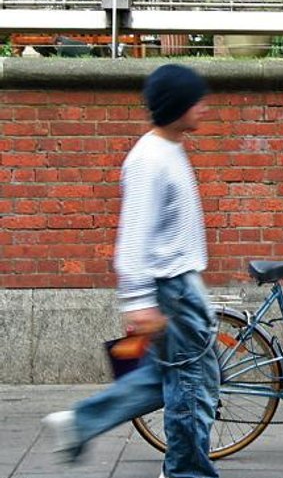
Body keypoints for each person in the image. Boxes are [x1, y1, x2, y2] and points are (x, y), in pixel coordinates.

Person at [42, 64, 219, 478]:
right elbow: (133, 235)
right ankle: (186, 474)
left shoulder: (169, 149)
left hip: (180, 287)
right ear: (177, 106)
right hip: (169, 289)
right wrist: (139, 299)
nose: (204, 108)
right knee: (192, 389)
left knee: (181, 379)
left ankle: (78, 424)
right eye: (196, 100)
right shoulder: (149, 160)